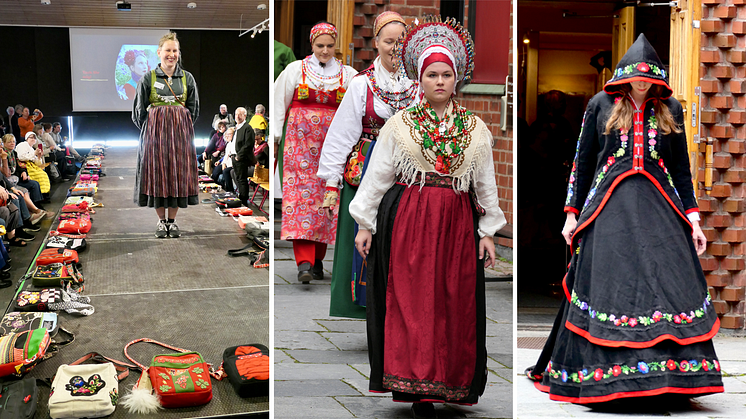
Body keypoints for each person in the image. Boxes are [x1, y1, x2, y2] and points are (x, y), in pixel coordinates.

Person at [526, 34, 723, 403]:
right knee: (609, 284)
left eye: (649, 78)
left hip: (660, 209)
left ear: (658, 78)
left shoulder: (671, 109)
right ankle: (609, 378)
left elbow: (681, 169)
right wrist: (571, 214)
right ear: (624, 75)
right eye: (637, 77)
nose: (643, 83)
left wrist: (694, 219)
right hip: (608, 208)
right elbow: (583, 163)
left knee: (664, 284)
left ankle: (668, 379)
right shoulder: (600, 103)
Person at [349, 16, 505, 417]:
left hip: (455, 223)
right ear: (420, 78)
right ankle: (416, 385)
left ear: (457, 79)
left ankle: (450, 382)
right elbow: (378, 175)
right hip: (411, 223)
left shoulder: (475, 129)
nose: (439, 81)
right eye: (432, 74)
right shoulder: (400, 126)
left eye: (446, 74)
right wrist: (365, 223)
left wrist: (487, 232)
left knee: (453, 303)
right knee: (412, 301)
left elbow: (485, 185)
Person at [318, 11, 417, 319]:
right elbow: (341, 135)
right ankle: (368, 311)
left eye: (401, 40)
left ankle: (400, 311)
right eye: (389, 41)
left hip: (406, 171)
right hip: (366, 167)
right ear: (376, 43)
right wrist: (331, 183)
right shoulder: (362, 84)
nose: (395, 47)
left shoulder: (417, 83)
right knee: (364, 244)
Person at [274, 21, 357, 282]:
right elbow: (279, 103)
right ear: (312, 44)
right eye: (320, 45)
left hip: (332, 148)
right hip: (298, 150)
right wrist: (275, 137)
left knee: (326, 202)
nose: (325, 51)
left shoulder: (349, 75)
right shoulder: (295, 70)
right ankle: (304, 262)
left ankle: (318, 260)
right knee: (300, 201)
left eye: (330, 46)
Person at [132, 31, 199, 239]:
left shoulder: (187, 78)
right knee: (157, 175)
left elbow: (193, 109)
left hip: (180, 138)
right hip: (155, 138)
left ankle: (173, 221)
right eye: (168, 50)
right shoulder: (147, 79)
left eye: (175, 50)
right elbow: (138, 112)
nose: (171, 54)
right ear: (159, 52)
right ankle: (161, 222)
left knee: (177, 176)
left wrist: (180, 126)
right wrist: (153, 128)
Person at [232, 107, 255, 206]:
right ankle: (241, 197)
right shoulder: (237, 127)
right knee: (238, 178)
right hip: (235, 157)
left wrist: (239, 156)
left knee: (242, 180)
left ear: (244, 116)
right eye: (236, 114)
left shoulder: (247, 128)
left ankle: (244, 201)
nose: (237, 116)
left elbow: (248, 144)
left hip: (241, 158)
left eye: (240, 114)